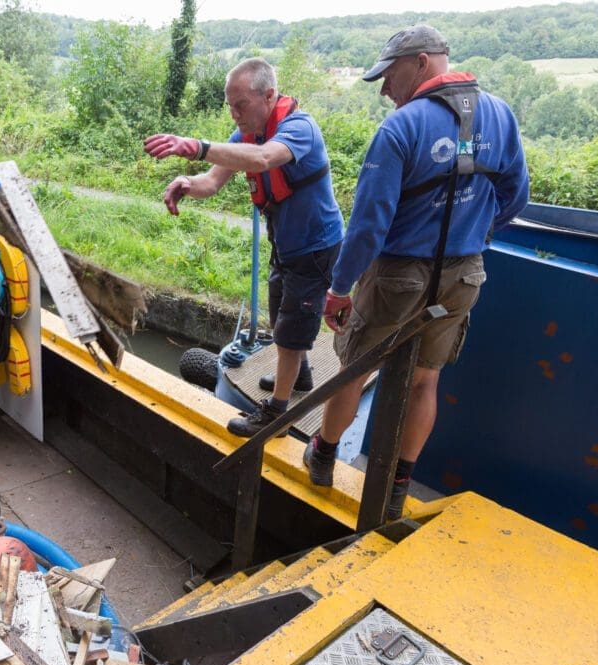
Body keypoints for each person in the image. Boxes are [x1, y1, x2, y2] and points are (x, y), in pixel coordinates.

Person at [305, 25, 530, 519]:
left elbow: (367, 226)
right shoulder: (500, 115)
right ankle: (397, 485)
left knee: (354, 370)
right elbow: (516, 196)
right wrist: (475, 234)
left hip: (397, 276)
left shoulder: (402, 128)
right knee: (425, 380)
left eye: (389, 75)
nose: (385, 88)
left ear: (423, 62)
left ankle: (322, 454)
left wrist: (339, 290)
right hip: (463, 276)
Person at [144, 57, 345, 437]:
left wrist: (199, 146)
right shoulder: (245, 136)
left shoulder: (300, 127)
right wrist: (188, 183)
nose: (235, 115)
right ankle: (299, 375)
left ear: (269, 96)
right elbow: (213, 181)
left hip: (317, 247)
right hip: (285, 245)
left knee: (291, 328)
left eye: (241, 105)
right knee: (280, 312)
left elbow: (265, 158)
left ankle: (277, 417)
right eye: (230, 106)